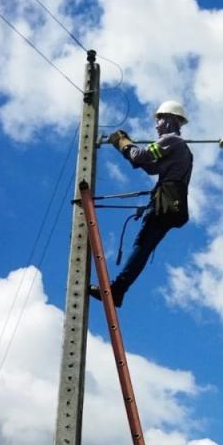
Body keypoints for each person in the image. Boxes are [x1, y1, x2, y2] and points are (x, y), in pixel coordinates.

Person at [89, 100, 193, 307]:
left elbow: (139, 157)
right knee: (142, 248)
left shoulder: (171, 140)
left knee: (142, 247)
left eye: (159, 119)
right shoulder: (179, 149)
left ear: (171, 120)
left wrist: (123, 142)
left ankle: (118, 289)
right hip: (172, 204)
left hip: (165, 202)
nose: (156, 125)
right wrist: (129, 149)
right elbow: (151, 167)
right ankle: (118, 290)